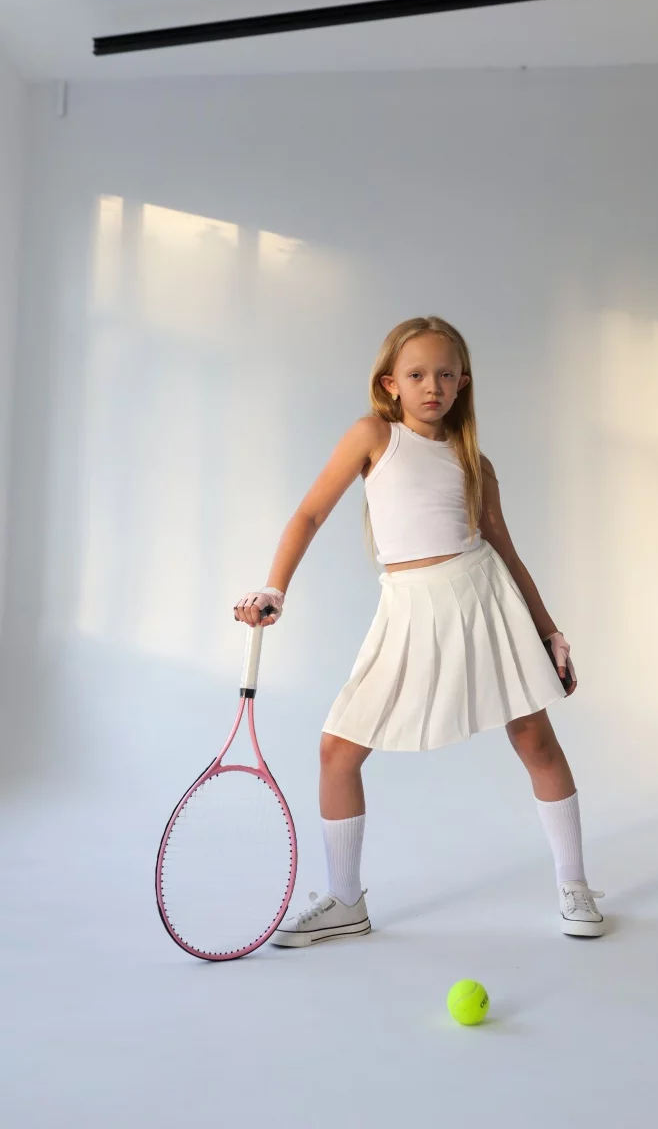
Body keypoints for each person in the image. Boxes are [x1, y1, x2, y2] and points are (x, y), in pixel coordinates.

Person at [234, 316, 604, 946]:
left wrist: (550, 633)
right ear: (391, 384)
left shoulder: (475, 463)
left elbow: (506, 551)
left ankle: (575, 885)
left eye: (445, 374)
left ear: (463, 383)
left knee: (534, 739)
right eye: (417, 374)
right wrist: (274, 588)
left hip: (481, 597)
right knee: (337, 749)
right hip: (407, 608)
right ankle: (345, 900)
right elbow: (310, 513)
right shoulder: (373, 436)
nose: (432, 386)